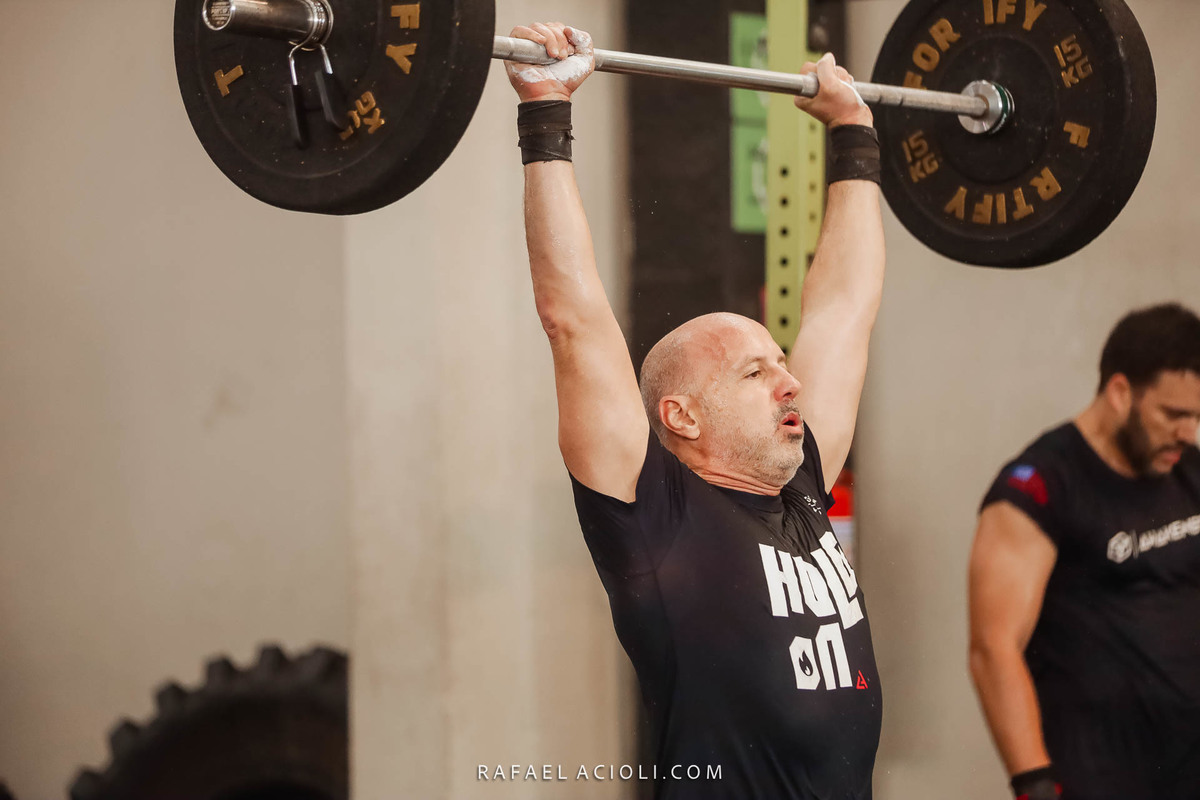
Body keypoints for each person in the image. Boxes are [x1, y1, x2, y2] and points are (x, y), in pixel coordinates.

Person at [506, 21, 885, 799]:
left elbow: (845, 311)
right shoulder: (657, 517)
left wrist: (854, 133)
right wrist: (546, 113)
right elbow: (573, 320)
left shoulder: (802, 488)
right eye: (755, 372)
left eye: (781, 364)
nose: (790, 384)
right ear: (682, 417)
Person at [969, 303, 1200, 800]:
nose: (1188, 432)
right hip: (1099, 778)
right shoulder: (1039, 488)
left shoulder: (1189, 470)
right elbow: (993, 649)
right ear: (1120, 393)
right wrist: (1035, 785)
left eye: (1197, 416)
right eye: (1174, 415)